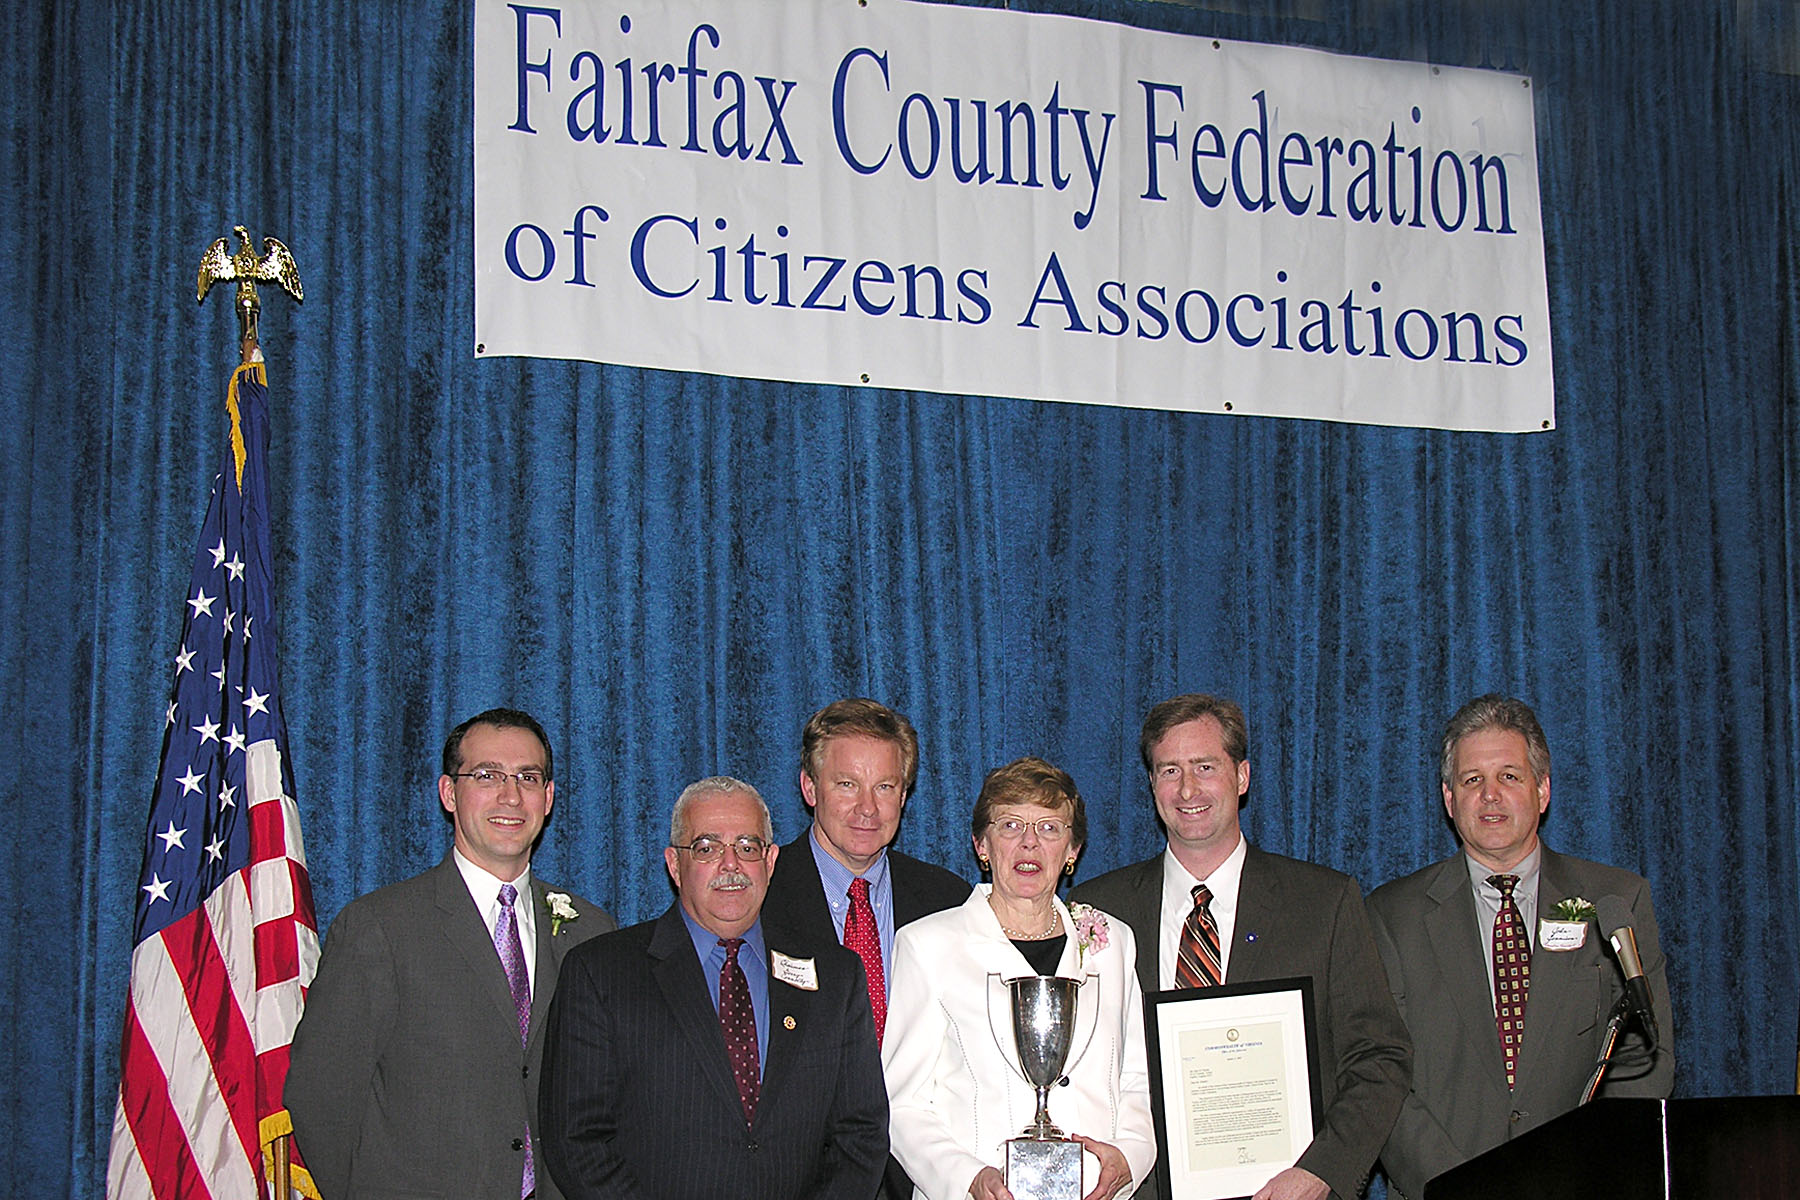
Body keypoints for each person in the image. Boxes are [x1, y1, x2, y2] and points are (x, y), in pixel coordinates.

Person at [1071, 694, 1410, 1200]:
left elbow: (1379, 1057)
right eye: (1169, 770)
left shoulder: (1323, 902)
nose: (1187, 789)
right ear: (1151, 784)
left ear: (1242, 777)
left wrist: (1323, 1171)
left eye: (1205, 766)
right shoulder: (1096, 910)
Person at [286, 707, 615, 1200]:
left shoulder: (590, 931)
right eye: (486, 775)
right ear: (449, 793)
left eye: (528, 777)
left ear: (547, 798)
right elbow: (321, 1099)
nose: (511, 795)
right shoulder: (379, 928)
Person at [1366, 695, 1675, 1198]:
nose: (1490, 795)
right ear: (1448, 800)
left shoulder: (1615, 903)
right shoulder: (1391, 914)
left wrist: (1583, 1173)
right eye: (1472, 780)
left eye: (1509, 776)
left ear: (1543, 790)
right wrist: (1460, 1187)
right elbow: (1381, 1071)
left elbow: (1646, 1057)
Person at [538, 775, 889, 1200]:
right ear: (674, 864)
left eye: (747, 847)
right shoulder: (601, 973)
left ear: (771, 860)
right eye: (707, 848)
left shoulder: (835, 975)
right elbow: (576, 1140)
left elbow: (861, 1133)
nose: (731, 866)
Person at [884, 756, 1156, 1200]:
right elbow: (902, 1102)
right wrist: (967, 1179)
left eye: (1049, 828)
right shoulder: (927, 945)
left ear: (1073, 850)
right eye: (1010, 826)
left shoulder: (1114, 944)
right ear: (982, 845)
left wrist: (1129, 1156)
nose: (1029, 844)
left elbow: (1138, 1077)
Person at [762, 700, 972, 1198]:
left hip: (925, 1172)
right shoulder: (760, 897)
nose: (868, 808)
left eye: (885, 787)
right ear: (809, 788)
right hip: (801, 1175)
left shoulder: (949, 901)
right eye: (847, 784)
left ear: (905, 793)